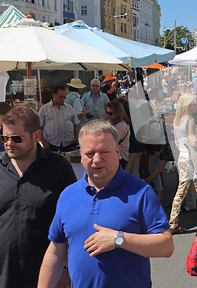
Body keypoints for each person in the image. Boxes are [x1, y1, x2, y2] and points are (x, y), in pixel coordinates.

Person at [38, 120, 174, 288]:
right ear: (81, 155)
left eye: (104, 152)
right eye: (90, 153)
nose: (97, 159)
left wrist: (119, 239)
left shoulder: (141, 192)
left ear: (118, 152)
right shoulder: (68, 195)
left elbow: (166, 246)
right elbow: (56, 252)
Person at [0, 107, 76, 288]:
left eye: (16, 138)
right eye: (4, 138)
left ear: (36, 136)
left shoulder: (58, 167)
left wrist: (65, 267)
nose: (9, 143)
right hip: (3, 271)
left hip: (46, 272)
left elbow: (74, 219)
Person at [167, 94, 197, 234]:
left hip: (183, 158)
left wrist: (183, 151)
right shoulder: (190, 121)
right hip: (194, 160)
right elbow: (194, 142)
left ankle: (172, 223)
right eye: (195, 103)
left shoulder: (176, 121)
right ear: (188, 105)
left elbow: (177, 142)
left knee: (181, 191)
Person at [39, 85, 80, 152]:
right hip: (52, 144)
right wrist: (44, 143)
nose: (63, 99)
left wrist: (76, 137)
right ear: (54, 95)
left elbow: (76, 124)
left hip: (68, 143)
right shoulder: (44, 109)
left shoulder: (69, 108)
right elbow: (39, 127)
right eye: (61, 97)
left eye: (64, 97)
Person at [104, 100, 130, 168]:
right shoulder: (115, 123)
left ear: (118, 113)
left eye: (111, 113)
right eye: (107, 112)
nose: (108, 115)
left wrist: (105, 124)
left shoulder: (121, 125)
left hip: (120, 157)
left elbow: (109, 141)